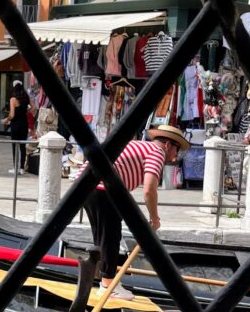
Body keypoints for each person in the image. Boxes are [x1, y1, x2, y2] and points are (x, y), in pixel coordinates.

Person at [77, 124, 190, 300]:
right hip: (101, 187)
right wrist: (154, 218)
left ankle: (103, 280)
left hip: (85, 184)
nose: (177, 155)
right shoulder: (157, 152)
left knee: (102, 236)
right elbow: (149, 189)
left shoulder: (139, 145)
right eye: (177, 149)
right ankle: (108, 285)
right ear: (168, 144)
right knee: (110, 235)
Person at [3, 79, 32, 175]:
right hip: (24, 123)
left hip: (15, 124)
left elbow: (12, 115)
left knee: (14, 146)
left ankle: (15, 168)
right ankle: (22, 168)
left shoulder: (13, 99)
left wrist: (6, 120)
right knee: (22, 146)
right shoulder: (26, 98)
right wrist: (26, 111)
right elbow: (34, 107)